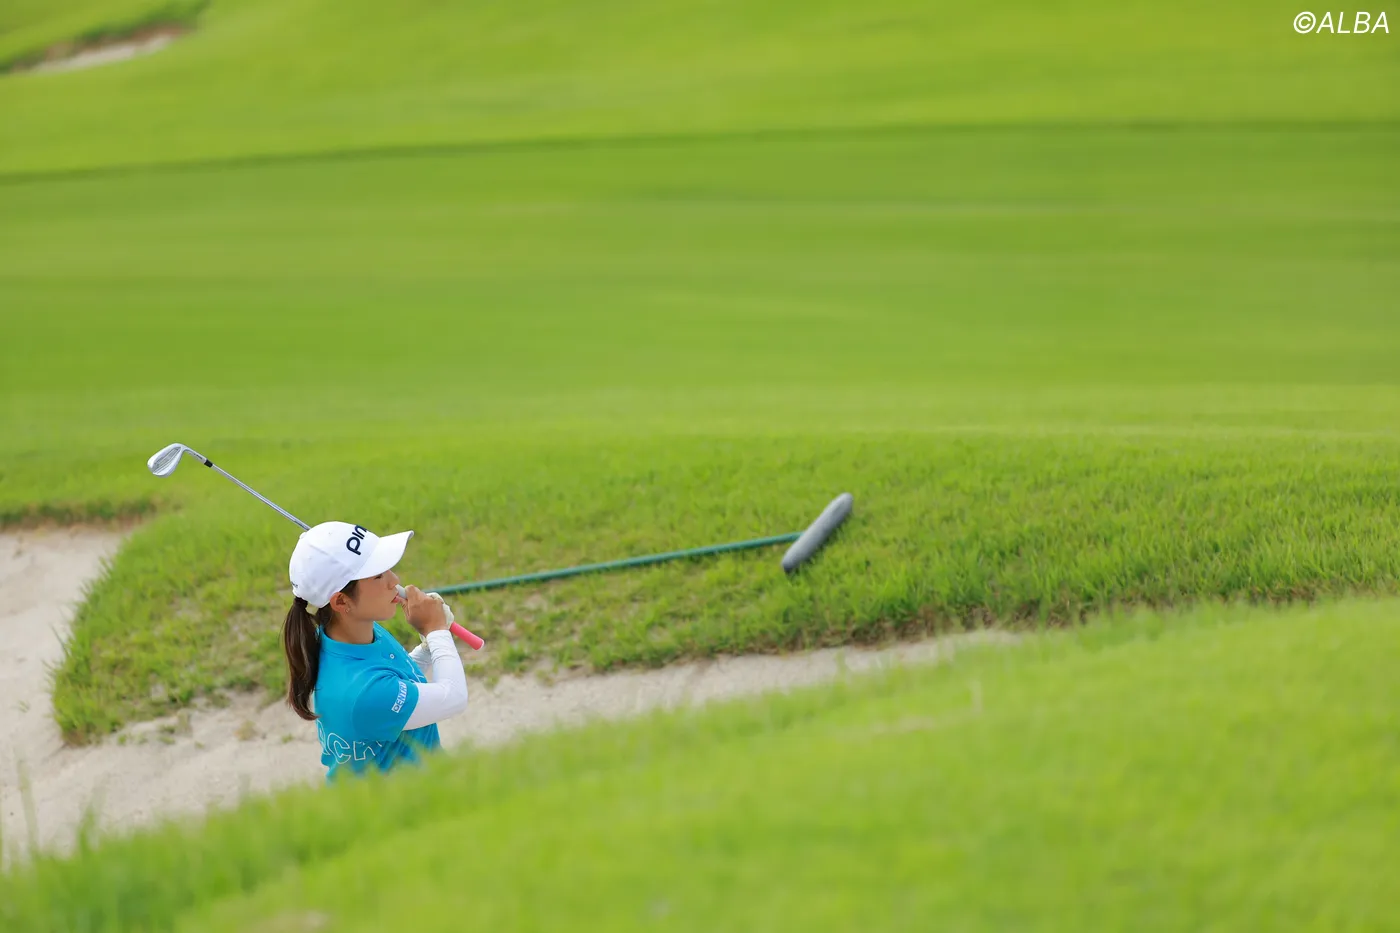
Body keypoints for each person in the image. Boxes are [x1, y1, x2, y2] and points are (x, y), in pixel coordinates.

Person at [281, 521, 469, 779]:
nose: (394, 580)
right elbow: (453, 698)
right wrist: (436, 630)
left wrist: (428, 646)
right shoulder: (362, 693)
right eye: (378, 575)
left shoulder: (352, 634)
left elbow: (395, 681)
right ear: (341, 601)